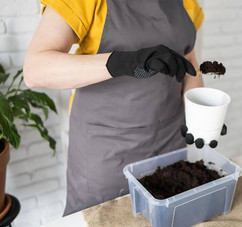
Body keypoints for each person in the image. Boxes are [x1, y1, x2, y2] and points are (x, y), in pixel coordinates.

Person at [24, 0, 204, 216]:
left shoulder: (186, 3)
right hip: (106, 151)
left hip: (171, 141)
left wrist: (199, 116)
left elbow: (189, 61)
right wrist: (123, 62)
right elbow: (35, 69)